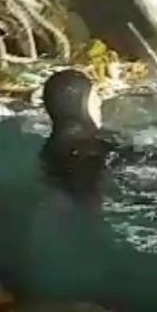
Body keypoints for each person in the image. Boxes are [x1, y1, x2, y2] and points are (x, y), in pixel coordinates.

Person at [39, 69, 111, 210]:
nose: (99, 102)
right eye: (94, 97)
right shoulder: (88, 151)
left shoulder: (52, 149)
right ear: (80, 106)